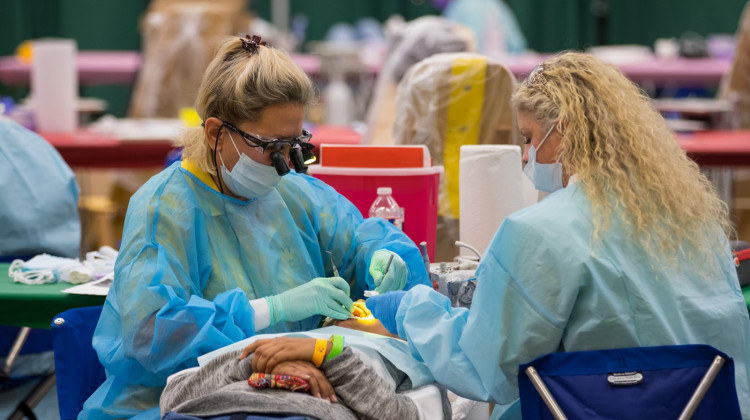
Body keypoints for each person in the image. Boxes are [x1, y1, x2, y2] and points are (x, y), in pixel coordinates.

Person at [248, 52, 750, 419]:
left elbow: (487, 367)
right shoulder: (692, 220)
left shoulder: (541, 231)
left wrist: (409, 309)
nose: (527, 157)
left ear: (568, 131)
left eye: (529, 138)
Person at [80, 35, 429, 419]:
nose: (286, 164)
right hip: (177, 400)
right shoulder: (165, 208)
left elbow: (360, 236)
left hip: (293, 385)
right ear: (216, 132)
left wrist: (383, 256)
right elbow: (152, 336)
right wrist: (269, 311)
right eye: (272, 147)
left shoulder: (294, 192)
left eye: (295, 146)